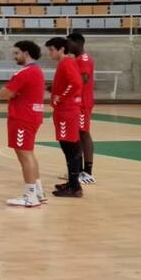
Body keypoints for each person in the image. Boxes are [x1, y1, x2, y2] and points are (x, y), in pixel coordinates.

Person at [1, 41, 47, 208]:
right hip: (31, 116)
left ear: (26, 53)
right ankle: (38, 192)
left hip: (22, 117)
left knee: (24, 155)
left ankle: (30, 196)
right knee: (29, 154)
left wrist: (13, 94)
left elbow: (4, 93)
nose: (14, 57)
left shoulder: (25, 72)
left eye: (16, 53)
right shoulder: (37, 71)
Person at [47, 36, 85, 198]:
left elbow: (76, 83)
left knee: (70, 148)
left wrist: (61, 97)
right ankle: (72, 182)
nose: (50, 54)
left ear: (61, 49)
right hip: (65, 111)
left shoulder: (66, 62)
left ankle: (75, 187)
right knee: (70, 148)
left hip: (66, 112)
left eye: (51, 50)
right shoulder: (66, 63)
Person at [69, 31, 96, 185]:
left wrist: (64, 85)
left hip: (83, 103)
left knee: (84, 133)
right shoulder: (77, 59)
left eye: (69, 43)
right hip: (78, 102)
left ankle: (87, 171)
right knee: (78, 134)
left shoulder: (84, 59)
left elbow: (83, 79)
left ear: (77, 43)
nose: (67, 46)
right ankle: (78, 170)